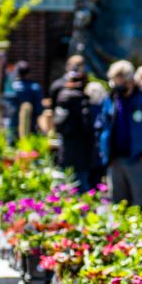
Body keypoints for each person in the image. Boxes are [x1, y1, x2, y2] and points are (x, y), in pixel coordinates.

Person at [96, 59, 142, 214]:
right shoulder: (112, 99)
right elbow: (101, 126)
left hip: (139, 160)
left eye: (121, 83)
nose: (119, 87)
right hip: (115, 161)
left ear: (130, 80)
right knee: (119, 208)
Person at [51, 56, 105, 191]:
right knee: (82, 186)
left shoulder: (60, 93)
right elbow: (88, 127)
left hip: (65, 148)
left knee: (65, 185)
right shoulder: (81, 101)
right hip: (81, 151)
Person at [2, 61, 44, 143]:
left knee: (11, 152)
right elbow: (39, 109)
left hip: (12, 128)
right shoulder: (35, 88)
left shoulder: (11, 88)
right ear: (28, 73)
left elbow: (5, 108)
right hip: (31, 128)